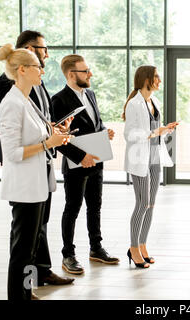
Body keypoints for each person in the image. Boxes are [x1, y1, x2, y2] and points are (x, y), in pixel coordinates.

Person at [0, 30, 74, 289]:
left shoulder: (26, 97)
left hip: (35, 182)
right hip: (24, 184)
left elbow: (36, 127)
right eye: (39, 65)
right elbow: (13, 147)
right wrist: (47, 142)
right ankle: (21, 294)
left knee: (29, 246)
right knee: (23, 248)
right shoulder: (11, 99)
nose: (44, 68)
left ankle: (28, 288)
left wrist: (52, 130)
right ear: (23, 69)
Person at [51, 54, 119, 275]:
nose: (90, 74)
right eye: (85, 71)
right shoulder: (58, 100)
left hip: (96, 161)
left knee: (95, 206)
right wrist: (80, 157)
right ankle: (68, 255)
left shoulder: (90, 94)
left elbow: (94, 123)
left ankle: (96, 248)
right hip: (75, 164)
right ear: (72, 74)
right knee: (72, 208)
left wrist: (104, 131)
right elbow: (57, 138)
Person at [123, 65, 178, 268]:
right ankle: (133, 247)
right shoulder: (134, 103)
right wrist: (154, 133)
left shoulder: (153, 101)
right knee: (142, 203)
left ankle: (143, 244)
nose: (159, 80)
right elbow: (129, 134)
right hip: (139, 158)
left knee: (151, 203)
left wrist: (164, 130)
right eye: (156, 77)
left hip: (154, 155)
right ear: (146, 79)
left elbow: (154, 129)